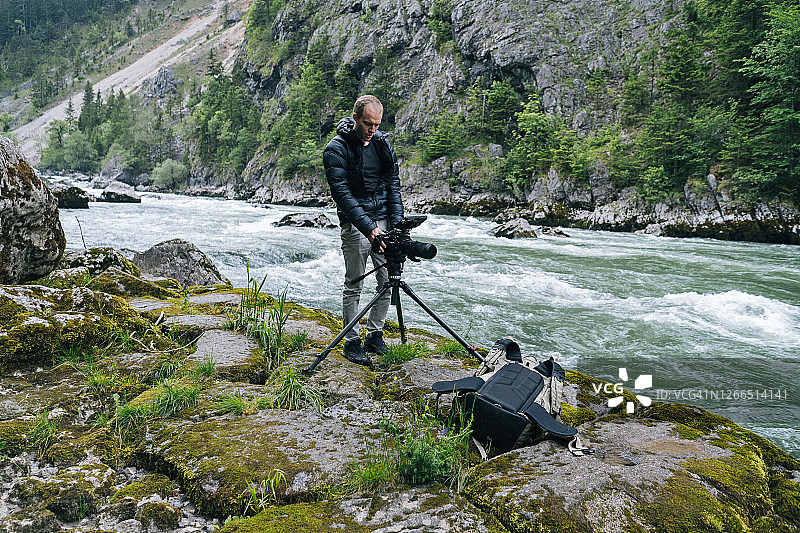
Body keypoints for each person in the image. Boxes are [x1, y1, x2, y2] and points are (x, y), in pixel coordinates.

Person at [323, 95, 404, 366]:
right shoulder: (336, 148)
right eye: (368, 123)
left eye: (377, 124)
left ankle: (374, 335)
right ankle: (351, 341)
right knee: (354, 283)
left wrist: (397, 224)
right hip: (355, 223)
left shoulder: (382, 144)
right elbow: (342, 195)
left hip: (384, 220)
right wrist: (369, 228)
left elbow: (393, 185)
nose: (372, 129)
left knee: (388, 279)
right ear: (356, 118)